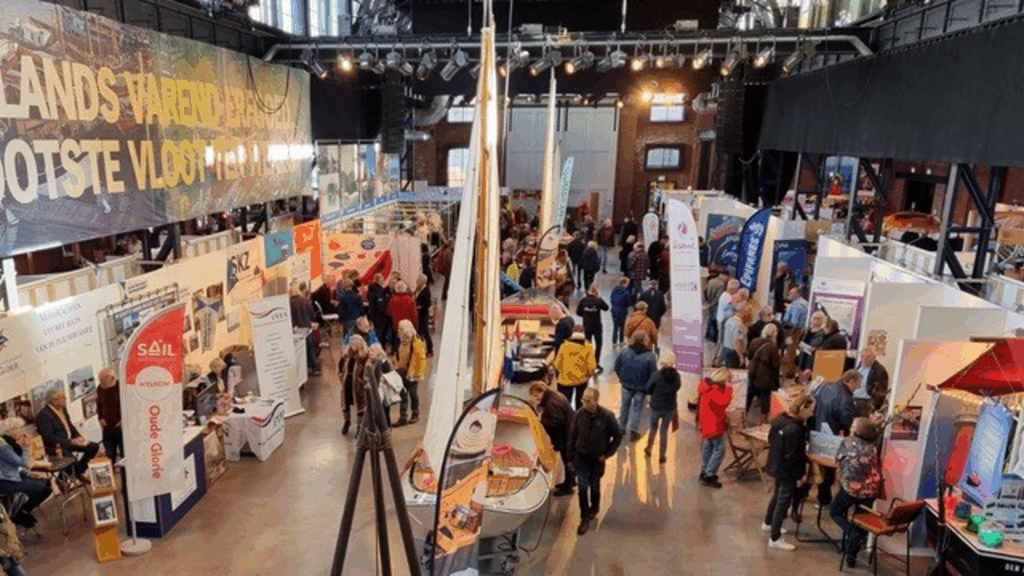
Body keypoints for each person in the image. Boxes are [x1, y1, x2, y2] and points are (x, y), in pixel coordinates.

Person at [566, 387, 623, 535]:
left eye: (588, 400)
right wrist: (569, 458)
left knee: (595, 485)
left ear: (596, 401)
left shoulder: (607, 417)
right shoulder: (578, 415)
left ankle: (595, 507)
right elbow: (572, 437)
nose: (584, 403)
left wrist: (608, 454)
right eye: (583, 400)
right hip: (581, 457)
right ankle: (584, 518)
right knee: (583, 488)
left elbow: (617, 436)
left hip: (597, 459)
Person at [764, 392, 816, 551]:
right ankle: (775, 537)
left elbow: (770, 439)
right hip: (787, 469)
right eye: (811, 409)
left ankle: (768, 523)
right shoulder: (795, 428)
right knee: (784, 499)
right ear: (803, 408)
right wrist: (800, 475)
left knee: (778, 494)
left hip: (775, 463)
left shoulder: (780, 419)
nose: (812, 413)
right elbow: (794, 456)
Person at [830, 418, 882, 569]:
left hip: (852, 488)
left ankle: (852, 534)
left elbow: (837, 460)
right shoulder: (874, 446)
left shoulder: (848, 442)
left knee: (835, 512)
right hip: (871, 490)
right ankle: (851, 557)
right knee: (859, 518)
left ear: (857, 430)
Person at [813, 369, 863, 505]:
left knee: (818, 468)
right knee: (829, 471)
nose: (859, 387)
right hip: (832, 437)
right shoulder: (845, 398)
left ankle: (818, 497)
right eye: (858, 383)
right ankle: (824, 499)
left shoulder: (826, 387)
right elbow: (847, 421)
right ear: (851, 381)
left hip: (818, 431)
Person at [0, 418, 52, 528]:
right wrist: (26, 447)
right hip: (6, 482)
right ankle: (20, 514)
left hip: (13, 476)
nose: (21, 431)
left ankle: (22, 512)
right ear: (9, 431)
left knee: (46, 485)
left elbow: (15, 465)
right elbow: (24, 463)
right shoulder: (3, 446)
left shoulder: (8, 442)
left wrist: (29, 474)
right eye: (17, 429)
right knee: (44, 488)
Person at [36, 389, 99, 477]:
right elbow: (48, 438)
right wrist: (70, 442)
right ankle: (72, 474)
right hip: (57, 446)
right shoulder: (44, 416)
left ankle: (76, 473)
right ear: (54, 401)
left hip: (69, 442)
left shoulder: (62, 408)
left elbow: (70, 426)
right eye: (62, 397)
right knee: (74, 463)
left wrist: (78, 436)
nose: (65, 399)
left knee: (93, 447)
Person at [529, 382, 575, 496]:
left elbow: (556, 422)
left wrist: (541, 421)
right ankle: (571, 481)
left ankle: (568, 487)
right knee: (568, 459)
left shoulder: (551, 403)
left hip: (566, 435)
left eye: (536, 395)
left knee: (568, 459)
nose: (536, 398)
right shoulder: (554, 395)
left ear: (541, 391)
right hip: (570, 430)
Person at [614, 332, 658, 442]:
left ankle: (621, 428)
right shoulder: (650, 356)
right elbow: (653, 375)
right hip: (641, 388)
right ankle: (633, 431)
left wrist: (621, 377)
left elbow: (616, 366)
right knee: (637, 409)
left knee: (624, 406)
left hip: (626, 385)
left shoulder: (624, 351)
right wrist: (649, 388)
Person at [697, 367, 733, 487]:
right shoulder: (714, 390)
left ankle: (705, 470)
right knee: (719, 450)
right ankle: (709, 475)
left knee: (708, 447)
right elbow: (723, 402)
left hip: (707, 422)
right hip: (713, 424)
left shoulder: (707, 387)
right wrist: (729, 389)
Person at [645, 351, 682, 464]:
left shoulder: (656, 375)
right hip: (669, 408)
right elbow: (677, 387)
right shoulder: (677, 377)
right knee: (664, 431)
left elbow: (648, 388)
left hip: (655, 406)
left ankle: (649, 449)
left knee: (653, 428)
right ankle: (662, 455)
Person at [553, 326, 598, 410]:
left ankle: (566, 421)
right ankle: (578, 420)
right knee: (580, 405)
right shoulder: (587, 346)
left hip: (565, 380)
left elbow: (557, 364)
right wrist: (588, 375)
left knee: (564, 404)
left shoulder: (564, 346)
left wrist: (562, 373)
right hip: (581, 380)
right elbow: (591, 366)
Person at [394, 319, 427, 426]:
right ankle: (403, 417)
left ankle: (415, 413)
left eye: (401, 329)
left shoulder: (417, 343)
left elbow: (421, 360)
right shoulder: (401, 342)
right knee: (403, 394)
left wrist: (417, 375)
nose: (398, 331)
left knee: (413, 394)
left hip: (412, 374)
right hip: (401, 372)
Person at [338, 335, 369, 436]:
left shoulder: (364, 356)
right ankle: (347, 421)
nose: (353, 346)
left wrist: (363, 380)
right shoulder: (347, 355)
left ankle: (360, 426)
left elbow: (368, 369)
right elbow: (340, 364)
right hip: (347, 381)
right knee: (346, 403)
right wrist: (341, 375)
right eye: (352, 344)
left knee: (360, 403)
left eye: (355, 344)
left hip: (358, 384)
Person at [290, 283, 322, 376]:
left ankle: (299, 372)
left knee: (297, 351)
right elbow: (313, 315)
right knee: (311, 348)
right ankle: (314, 367)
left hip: (295, 330)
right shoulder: (305, 301)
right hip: (306, 328)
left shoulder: (288, 302)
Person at [576, 285, 609, 369]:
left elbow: (578, 312)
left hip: (587, 325)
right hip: (597, 325)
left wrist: (586, 314)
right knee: (599, 344)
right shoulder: (598, 300)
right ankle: (596, 362)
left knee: (587, 344)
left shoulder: (583, 300)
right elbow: (606, 308)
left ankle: (587, 362)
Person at [96, 367, 123, 461]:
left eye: (104, 382)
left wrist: (125, 420)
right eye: (101, 382)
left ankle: (125, 476)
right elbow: (99, 405)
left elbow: (132, 406)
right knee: (109, 455)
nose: (102, 385)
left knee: (125, 454)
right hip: (107, 427)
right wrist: (100, 418)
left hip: (121, 426)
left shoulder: (122, 387)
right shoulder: (100, 388)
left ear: (112, 378)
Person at [854, 348, 889, 413]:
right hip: (854, 398)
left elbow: (881, 393)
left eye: (868, 357)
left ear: (874, 358)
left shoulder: (880, 371)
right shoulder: (859, 366)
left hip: (866, 401)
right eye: (862, 356)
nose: (864, 359)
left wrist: (872, 406)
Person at [386, 281, 419, 352]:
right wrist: (416, 324)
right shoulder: (409, 299)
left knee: (397, 342)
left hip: (396, 325)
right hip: (408, 325)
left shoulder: (392, 299)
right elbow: (414, 313)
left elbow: (388, 312)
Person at [366, 274, 393, 353]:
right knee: (379, 334)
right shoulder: (377, 291)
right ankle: (378, 350)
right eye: (382, 279)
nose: (383, 281)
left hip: (375, 316)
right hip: (380, 317)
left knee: (380, 334)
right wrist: (385, 313)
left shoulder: (373, 290)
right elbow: (380, 305)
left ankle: (380, 349)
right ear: (378, 280)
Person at [721, 303, 750, 369]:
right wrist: (741, 357)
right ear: (743, 312)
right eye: (748, 313)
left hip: (726, 349)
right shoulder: (739, 324)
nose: (749, 315)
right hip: (734, 353)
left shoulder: (729, 320)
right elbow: (736, 341)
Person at [413, 274, 434, 356]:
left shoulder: (426, 290)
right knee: (419, 332)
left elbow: (427, 303)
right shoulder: (418, 289)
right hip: (418, 314)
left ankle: (429, 348)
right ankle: (420, 349)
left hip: (423, 314)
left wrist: (419, 307)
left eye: (418, 280)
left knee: (424, 331)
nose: (416, 282)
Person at [609, 277, 633, 348]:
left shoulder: (614, 290)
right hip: (622, 311)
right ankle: (621, 341)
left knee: (615, 327)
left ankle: (614, 342)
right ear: (624, 283)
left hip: (614, 310)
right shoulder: (626, 292)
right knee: (622, 327)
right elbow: (628, 303)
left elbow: (611, 299)